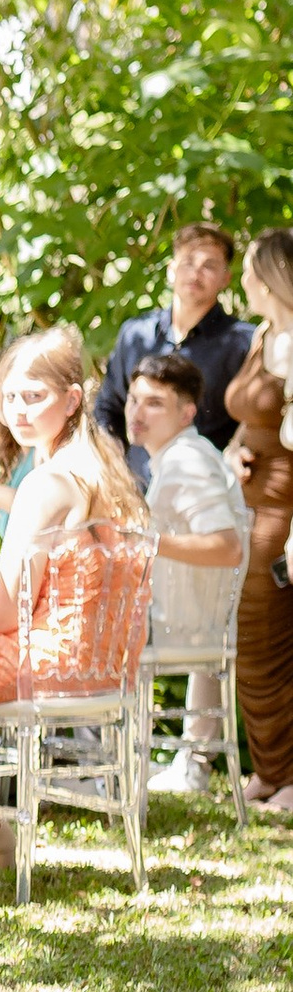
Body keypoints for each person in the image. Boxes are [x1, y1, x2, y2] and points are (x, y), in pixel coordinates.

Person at [0, 327, 148, 867]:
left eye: (33, 396)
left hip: (46, 666)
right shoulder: (104, 472)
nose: (17, 409)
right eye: (9, 395)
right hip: (103, 668)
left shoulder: (47, 484)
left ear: (71, 400)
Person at [127, 350, 251, 801]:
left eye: (154, 403)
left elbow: (226, 546)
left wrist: (142, 544)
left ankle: (99, 770)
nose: (138, 413)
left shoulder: (187, 461)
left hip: (177, 630)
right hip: (189, 625)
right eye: (134, 400)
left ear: (187, 412)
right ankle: (183, 761)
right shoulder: (183, 455)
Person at [223, 229, 293, 814]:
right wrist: (236, 448)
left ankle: (288, 773)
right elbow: (256, 417)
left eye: (248, 269)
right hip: (249, 504)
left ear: (270, 274)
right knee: (249, 643)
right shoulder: (263, 337)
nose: (242, 280)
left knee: (271, 639)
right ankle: (269, 769)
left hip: (282, 512)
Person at [94, 222, 250, 465]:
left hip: (202, 489)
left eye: (208, 265)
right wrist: (111, 458)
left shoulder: (243, 343)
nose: (195, 274)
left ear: (226, 278)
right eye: (188, 262)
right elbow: (109, 406)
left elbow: (252, 421)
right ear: (171, 270)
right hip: (132, 486)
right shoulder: (135, 333)